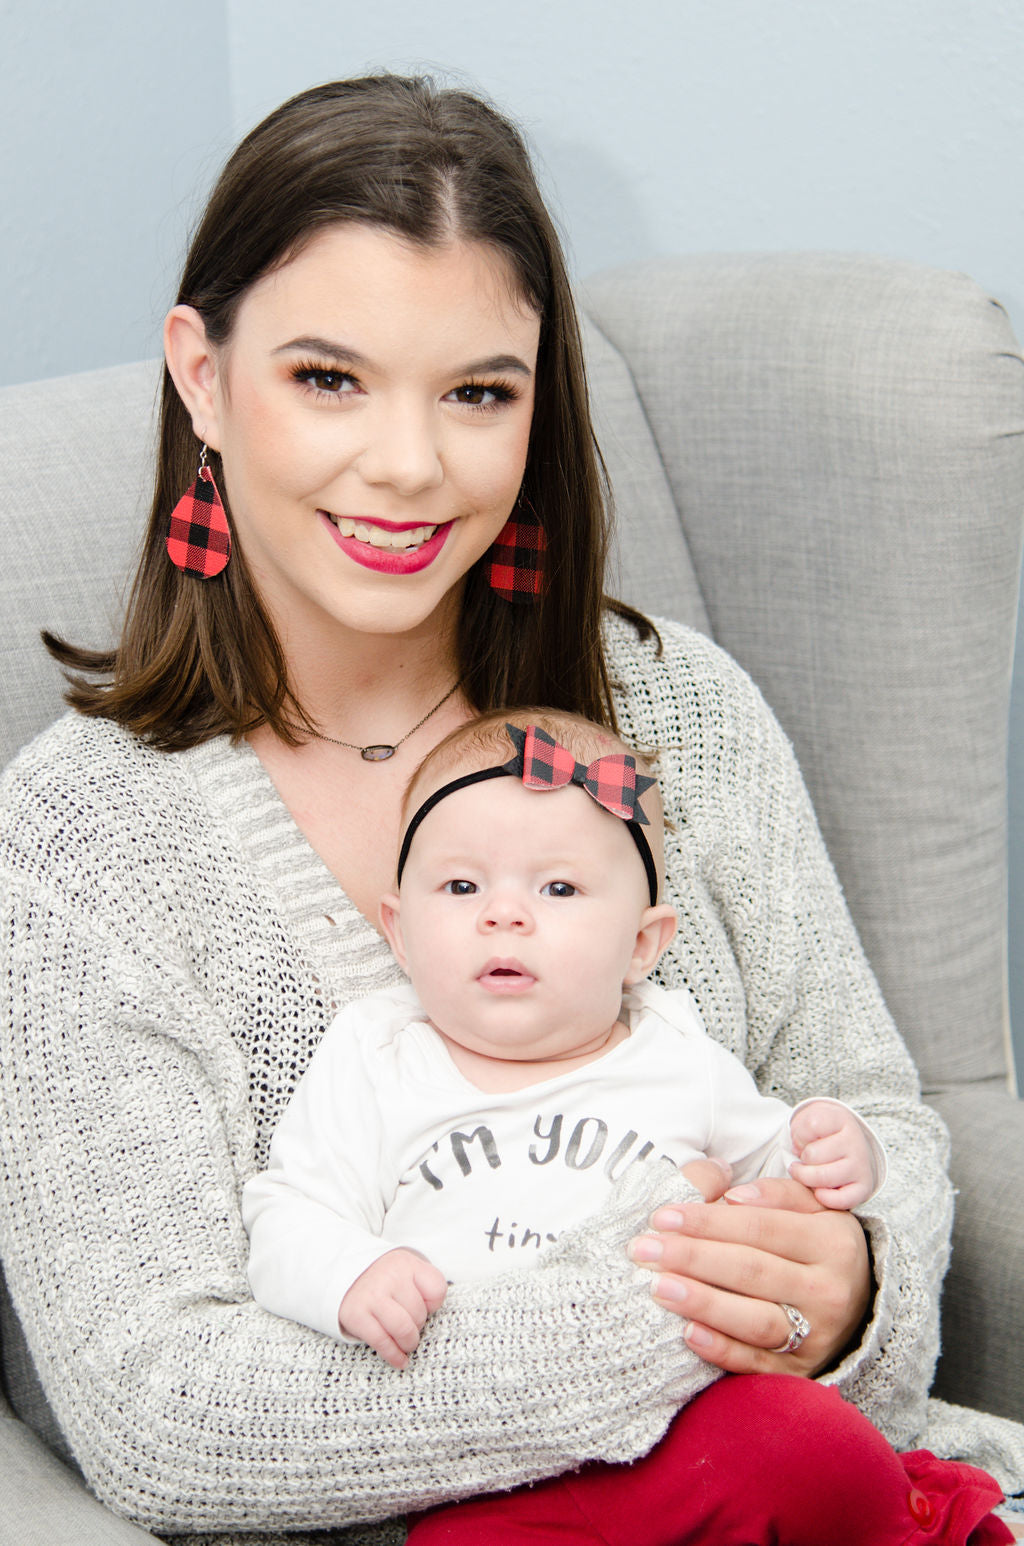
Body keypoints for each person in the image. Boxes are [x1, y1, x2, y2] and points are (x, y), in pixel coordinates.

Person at [0, 72, 1021, 1546]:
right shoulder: (83, 848)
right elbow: (160, 1407)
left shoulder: (673, 715)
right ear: (204, 376)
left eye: (480, 391)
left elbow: (870, 1112)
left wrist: (853, 1277)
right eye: (329, 378)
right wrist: (663, 1322)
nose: (411, 463)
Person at [243, 710, 888, 1370]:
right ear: (401, 933)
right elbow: (288, 1215)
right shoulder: (378, 1056)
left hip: (674, 1402)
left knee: (812, 1440)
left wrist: (832, 1142)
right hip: (458, 1396)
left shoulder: (677, 1056)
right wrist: (351, 1273)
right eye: (462, 886)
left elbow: (778, 1181)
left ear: (641, 946)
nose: (505, 913)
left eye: (559, 887)